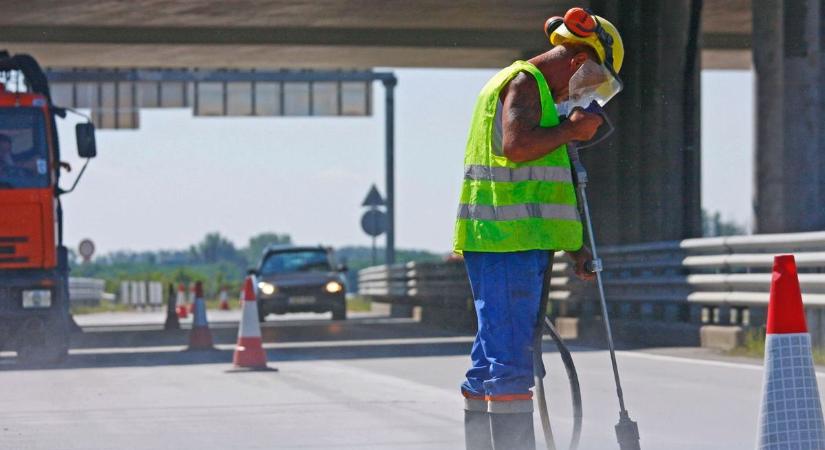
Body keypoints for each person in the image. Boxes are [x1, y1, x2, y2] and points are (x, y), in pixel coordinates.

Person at [453, 8, 624, 450]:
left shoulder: (535, 94)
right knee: (510, 364)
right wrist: (569, 131)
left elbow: (542, 192)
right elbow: (517, 146)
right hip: (507, 245)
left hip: (506, 241)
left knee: (490, 360)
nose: (586, 93)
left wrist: (575, 247)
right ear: (577, 62)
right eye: (592, 80)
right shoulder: (525, 83)